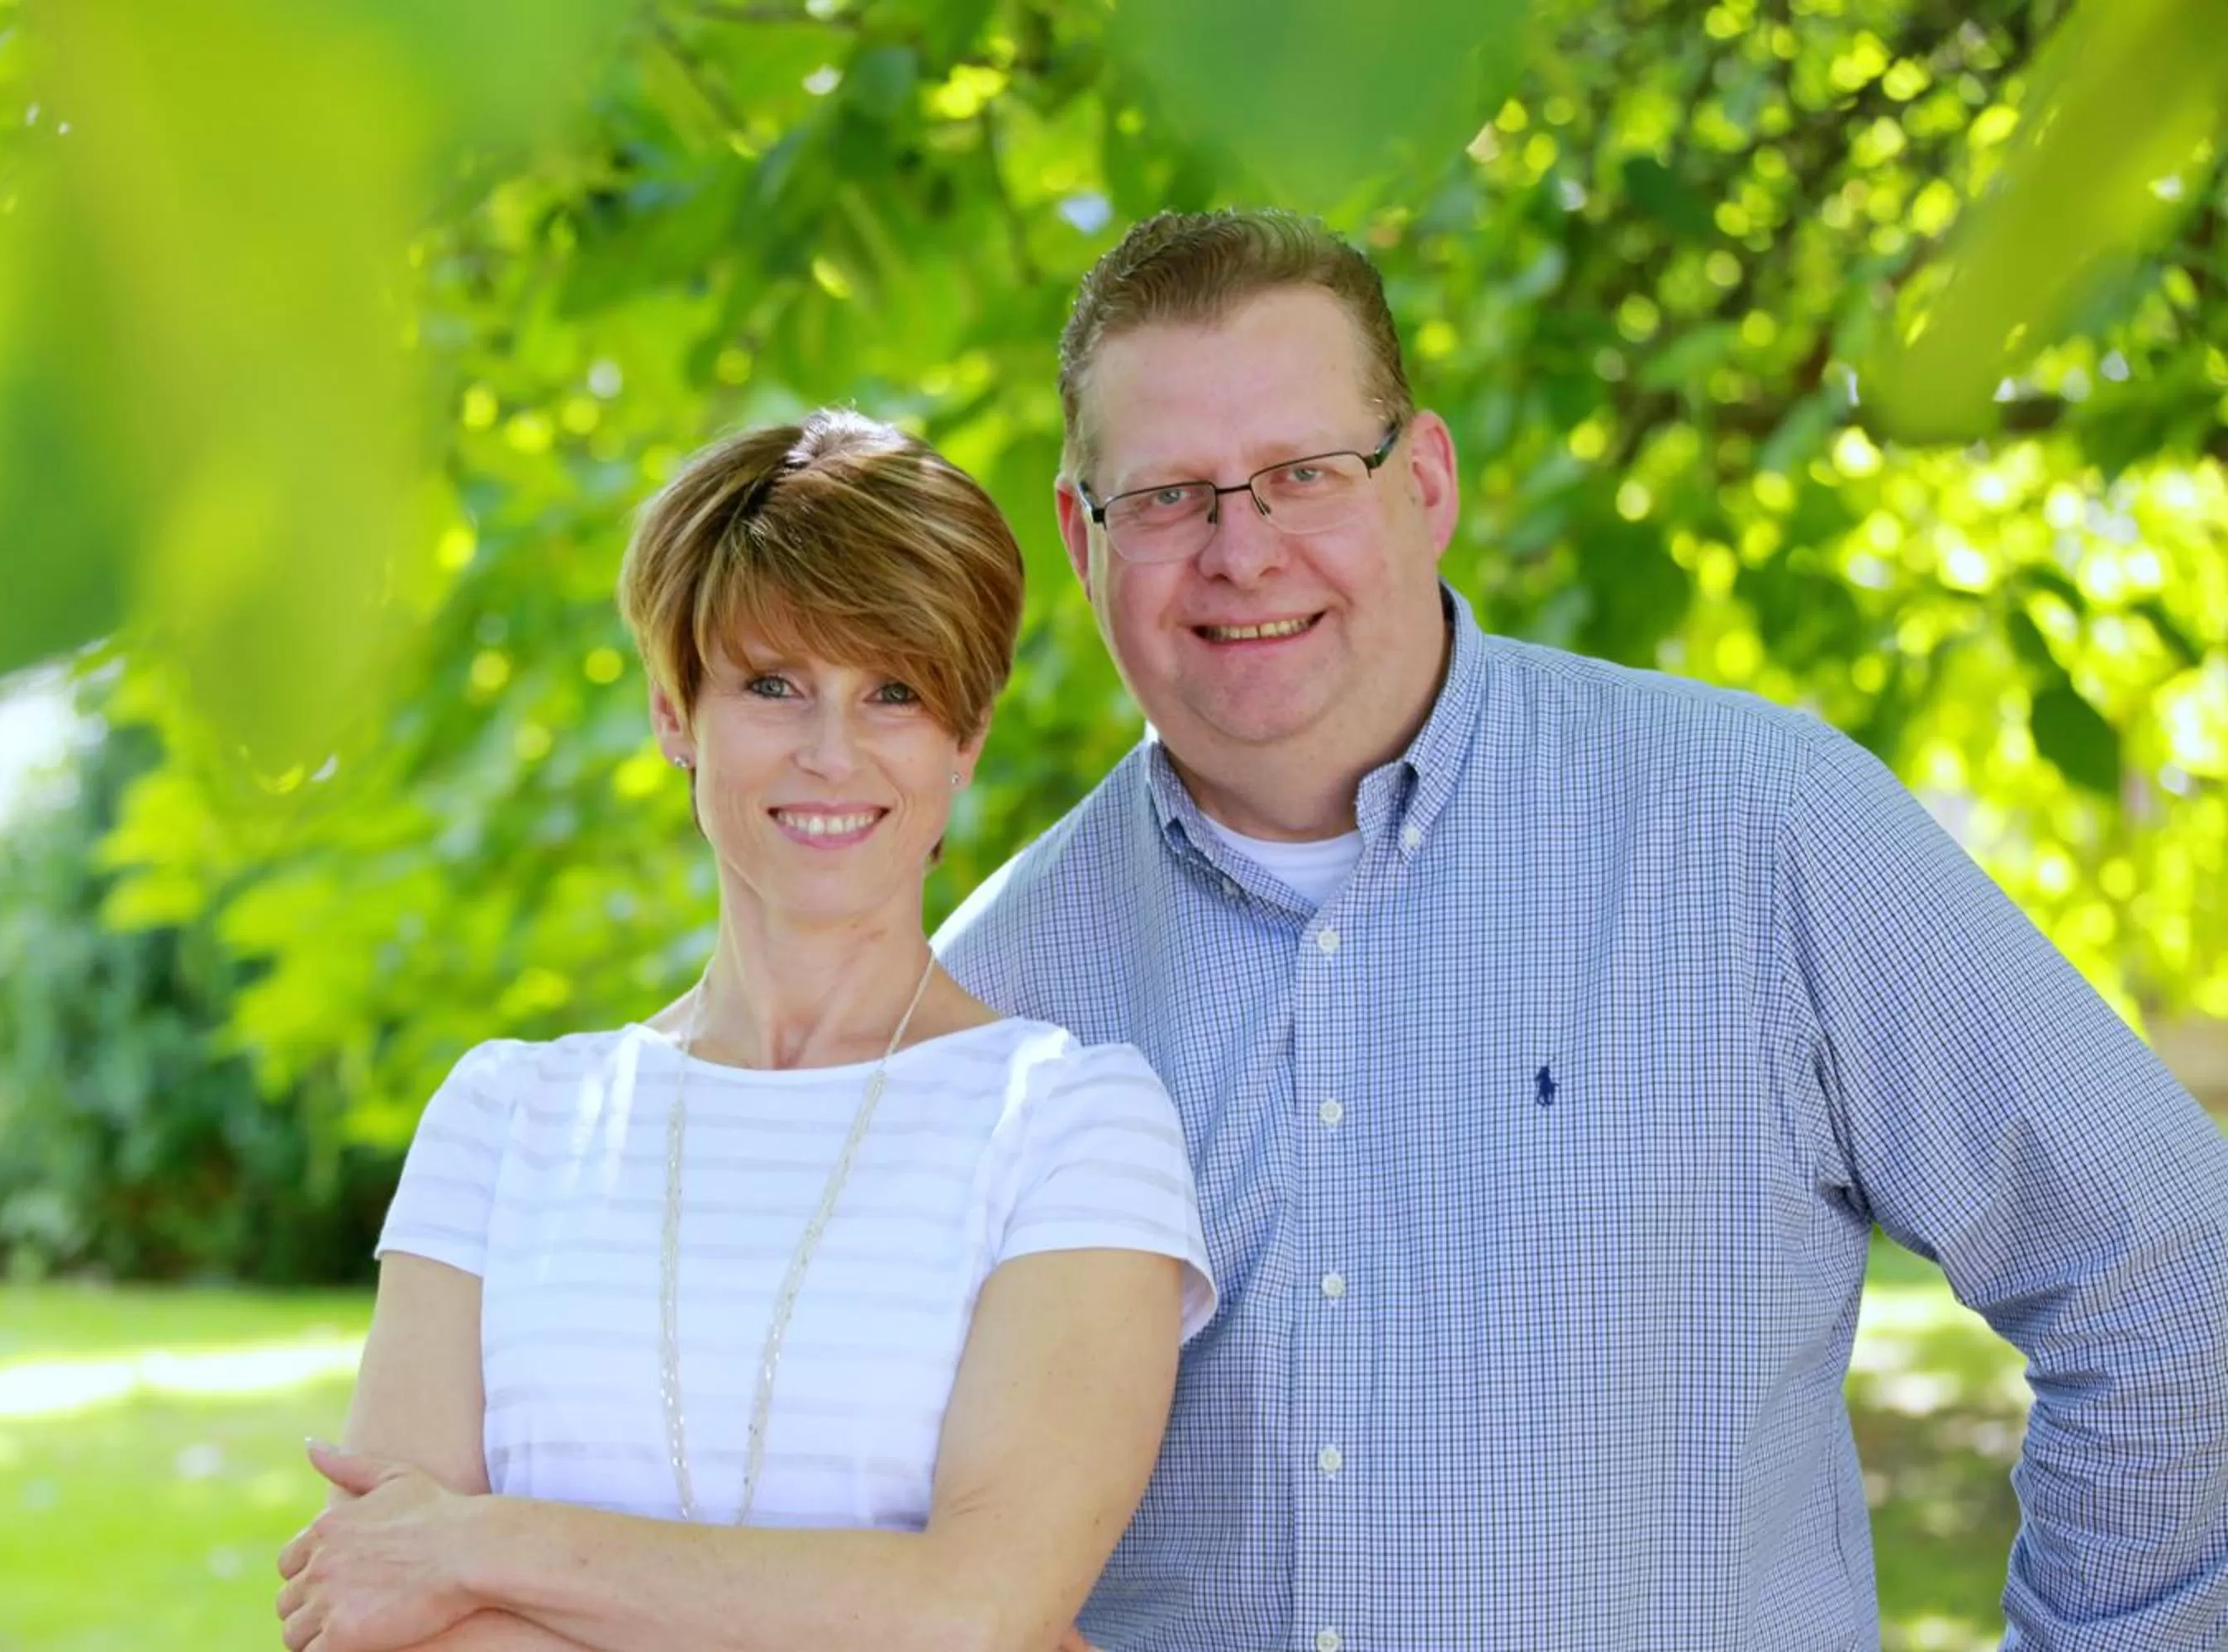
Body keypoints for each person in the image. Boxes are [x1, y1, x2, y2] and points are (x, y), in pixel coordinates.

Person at [935, 208, 2228, 1650]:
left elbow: (2166, 1273)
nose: (1243, 551)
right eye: (1170, 495)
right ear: (1080, 533)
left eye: (1304, 474)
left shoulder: (1760, 826)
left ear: (1424, 480)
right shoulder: (991, 999)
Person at [275, 410, 1215, 1652]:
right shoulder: (507, 1119)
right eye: (773, 686)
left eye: (894, 694)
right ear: (677, 713)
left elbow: (980, 1611)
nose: (832, 754)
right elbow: (374, 1616)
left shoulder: (1072, 1121)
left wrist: (488, 1547)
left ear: (965, 739)